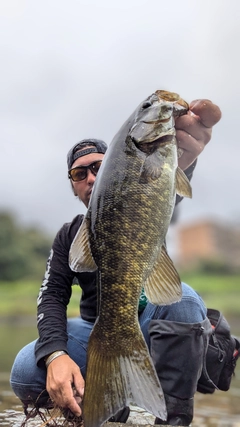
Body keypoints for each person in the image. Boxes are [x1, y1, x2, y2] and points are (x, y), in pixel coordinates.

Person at [10, 98, 222, 426]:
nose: (92, 178)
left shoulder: (148, 189)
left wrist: (184, 159)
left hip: (155, 327)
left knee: (184, 300)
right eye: (80, 173)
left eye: (99, 166)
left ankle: (173, 415)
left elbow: (169, 192)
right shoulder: (69, 236)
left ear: (116, 166)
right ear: (73, 185)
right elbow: (51, 296)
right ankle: (111, 400)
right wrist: (55, 354)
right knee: (26, 370)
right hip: (103, 330)